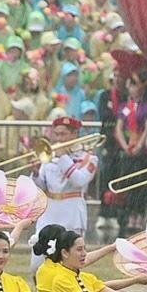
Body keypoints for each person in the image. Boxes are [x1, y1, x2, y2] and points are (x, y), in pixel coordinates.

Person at [30, 115, 97, 271]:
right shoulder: (48, 156)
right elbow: (41, 186)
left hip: (72, 212)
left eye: (63, 134)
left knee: (70, 264)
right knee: (37, 264)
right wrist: (35, 173)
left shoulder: (89, 158)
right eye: (57, 134)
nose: (59, 139)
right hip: (49, 211)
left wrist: (63, 157)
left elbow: (79, 181)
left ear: (74, 134)